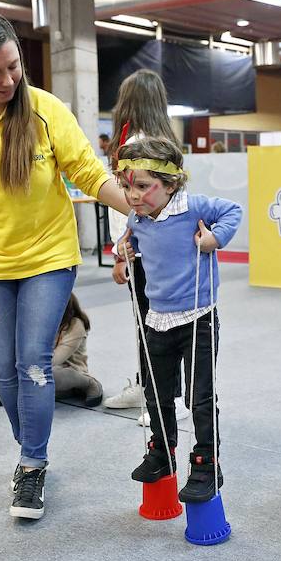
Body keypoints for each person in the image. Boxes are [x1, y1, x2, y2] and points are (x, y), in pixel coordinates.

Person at [0, 11, 129, 520]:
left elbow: (87, 171)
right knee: (6, 372)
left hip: (49, 259)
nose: (8, 80)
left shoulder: (46, 111)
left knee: (33, 360)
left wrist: (142, 206)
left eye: (14, 67)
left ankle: (32, 466)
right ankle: (30, 447)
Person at [118, 137, 242, 503]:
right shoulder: (137, 217)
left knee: (199, 396)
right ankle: (162, 451)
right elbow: (132, 243)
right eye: (127, 186)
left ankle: (206, 463)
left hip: (197, 316)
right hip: (157, 318)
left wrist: (214, 238)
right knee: (156, 393)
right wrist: (123, 257)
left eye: (142, 186)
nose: (133, 195)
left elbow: (233, 210)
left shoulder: (193, 207)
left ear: (171, 184)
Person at [103, 68, 190, 426]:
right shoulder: (143, 142)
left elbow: (144, 207)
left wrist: (126, 247)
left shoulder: (145, 148)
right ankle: (148, 384)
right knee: (147, 322)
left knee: (161, 324)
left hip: (148, 247)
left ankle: (172, 397)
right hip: (139, 247)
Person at [52, 293, 103, 407]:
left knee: (51, 373)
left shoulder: (76, 324)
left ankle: (90, 383)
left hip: (70, 370)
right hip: (50, 371)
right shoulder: (40, 323)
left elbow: (55, 359)